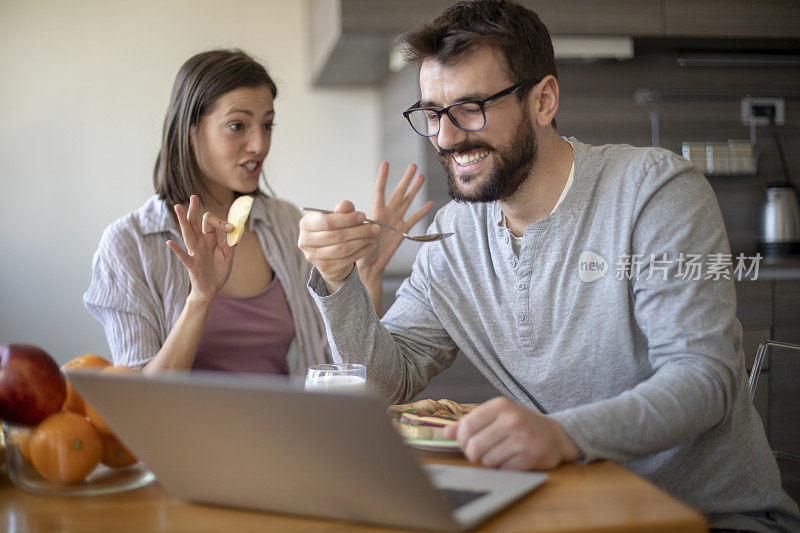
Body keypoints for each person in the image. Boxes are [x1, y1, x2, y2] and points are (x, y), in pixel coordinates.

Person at [297, 1, 800, 531]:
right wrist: (338, 278)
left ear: (543, 100)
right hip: (572, 508)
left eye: (471, 107)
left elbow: (707, 379)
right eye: (433, 113)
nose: (446, 137)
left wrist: (560, 436)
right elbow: (386, 383)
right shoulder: (452, 237)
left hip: (712, 518)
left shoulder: (654, 191)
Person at [84, 49, 432, 376]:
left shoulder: (283, 222)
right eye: (238, 126)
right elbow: (139, 403)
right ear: (190, 129)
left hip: (287, 433)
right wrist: (201, 299)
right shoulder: (129, 244)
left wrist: (366, 272)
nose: (259, 145)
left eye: (267, 125)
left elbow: (342, 367)